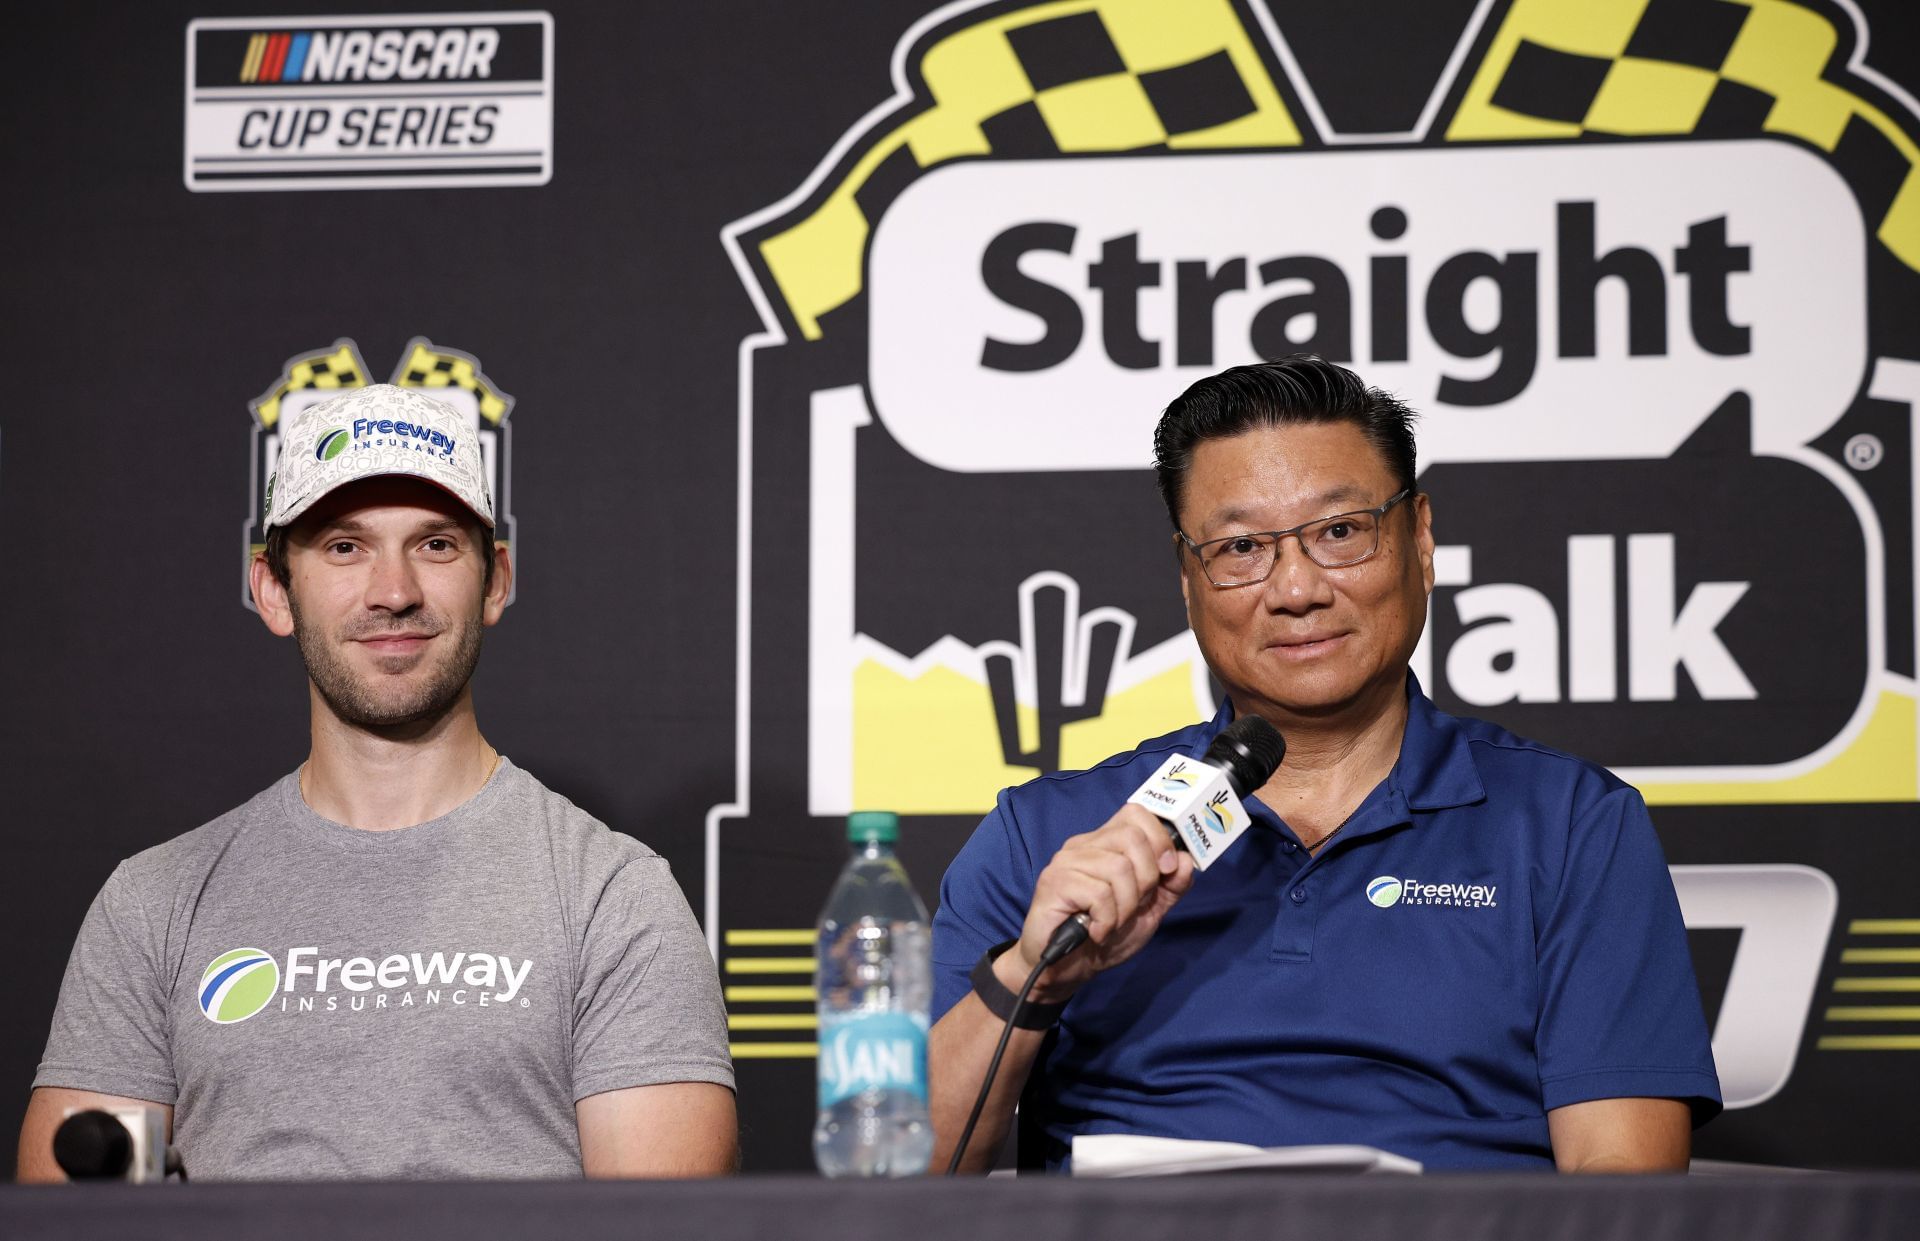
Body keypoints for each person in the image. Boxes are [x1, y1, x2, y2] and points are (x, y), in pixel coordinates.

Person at [928, 358, 1720, 1173]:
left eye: (1340, 532)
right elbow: (904, 1178)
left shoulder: (1571, 826)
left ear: (1419, 536)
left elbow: (1626, 1192)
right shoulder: (1050, 836)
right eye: (1241, 547)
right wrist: (1035, 972)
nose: (1297, 588)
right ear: (1189, 578)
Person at [19, 385, 736, 1181]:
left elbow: (667, 1227)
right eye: (343, 547)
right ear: (271, 589)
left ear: (495, 579)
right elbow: (76, 1206)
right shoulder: (153, 905)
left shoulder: (612, 897)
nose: (394, 591)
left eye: (434, 545)